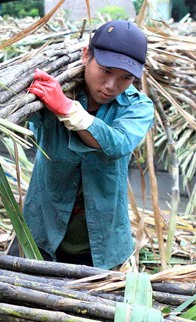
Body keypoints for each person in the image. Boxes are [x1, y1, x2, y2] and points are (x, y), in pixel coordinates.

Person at [12, 20, 155, 269]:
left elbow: (118, 143)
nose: (112, 86)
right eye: (106, 70)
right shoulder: (51, 93)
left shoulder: (138, 107)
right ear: (86, 55)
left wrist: (69, 111)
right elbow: (15, 110)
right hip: (41, 233)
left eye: (126, 78)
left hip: (101, 244)